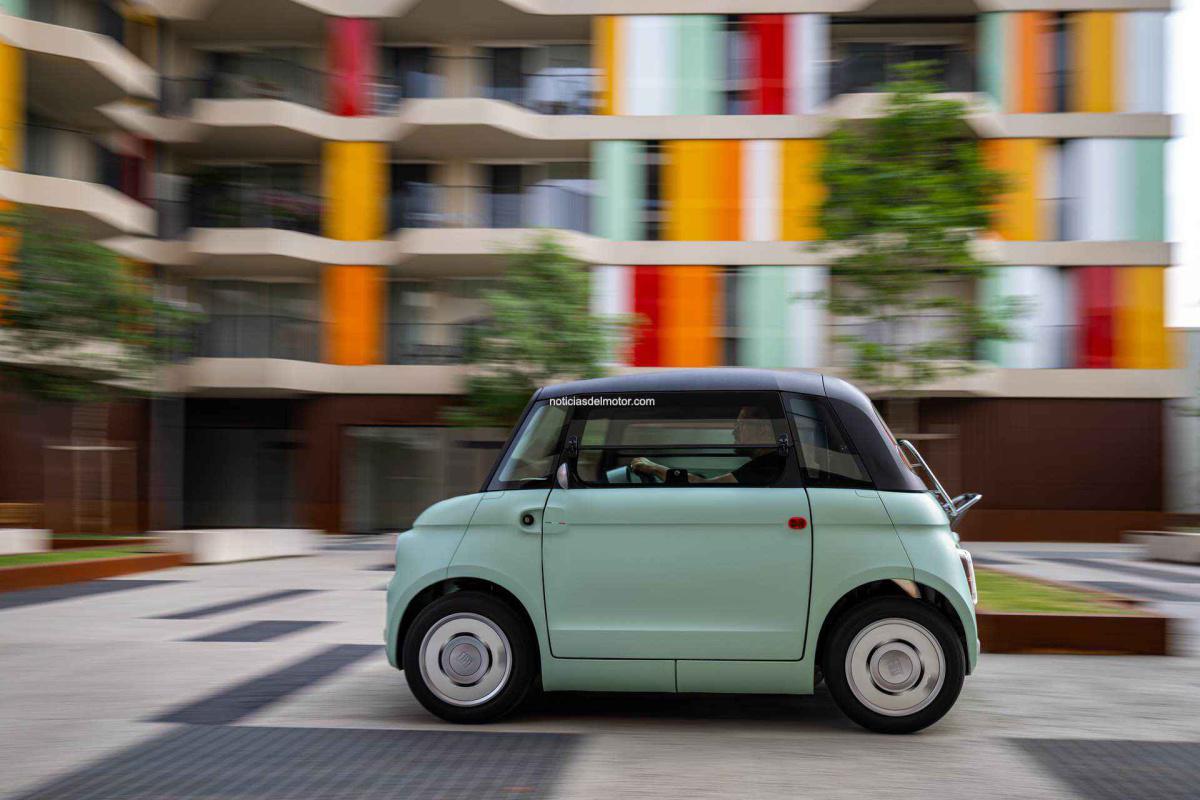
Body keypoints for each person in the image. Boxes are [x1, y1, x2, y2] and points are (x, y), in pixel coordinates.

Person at [629, 405, 784, 485]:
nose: (734, 433)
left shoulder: (766, 467)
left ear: (763, 429)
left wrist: (655, 468)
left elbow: (705, 486)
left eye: (741, 424)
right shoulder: (766, 464)